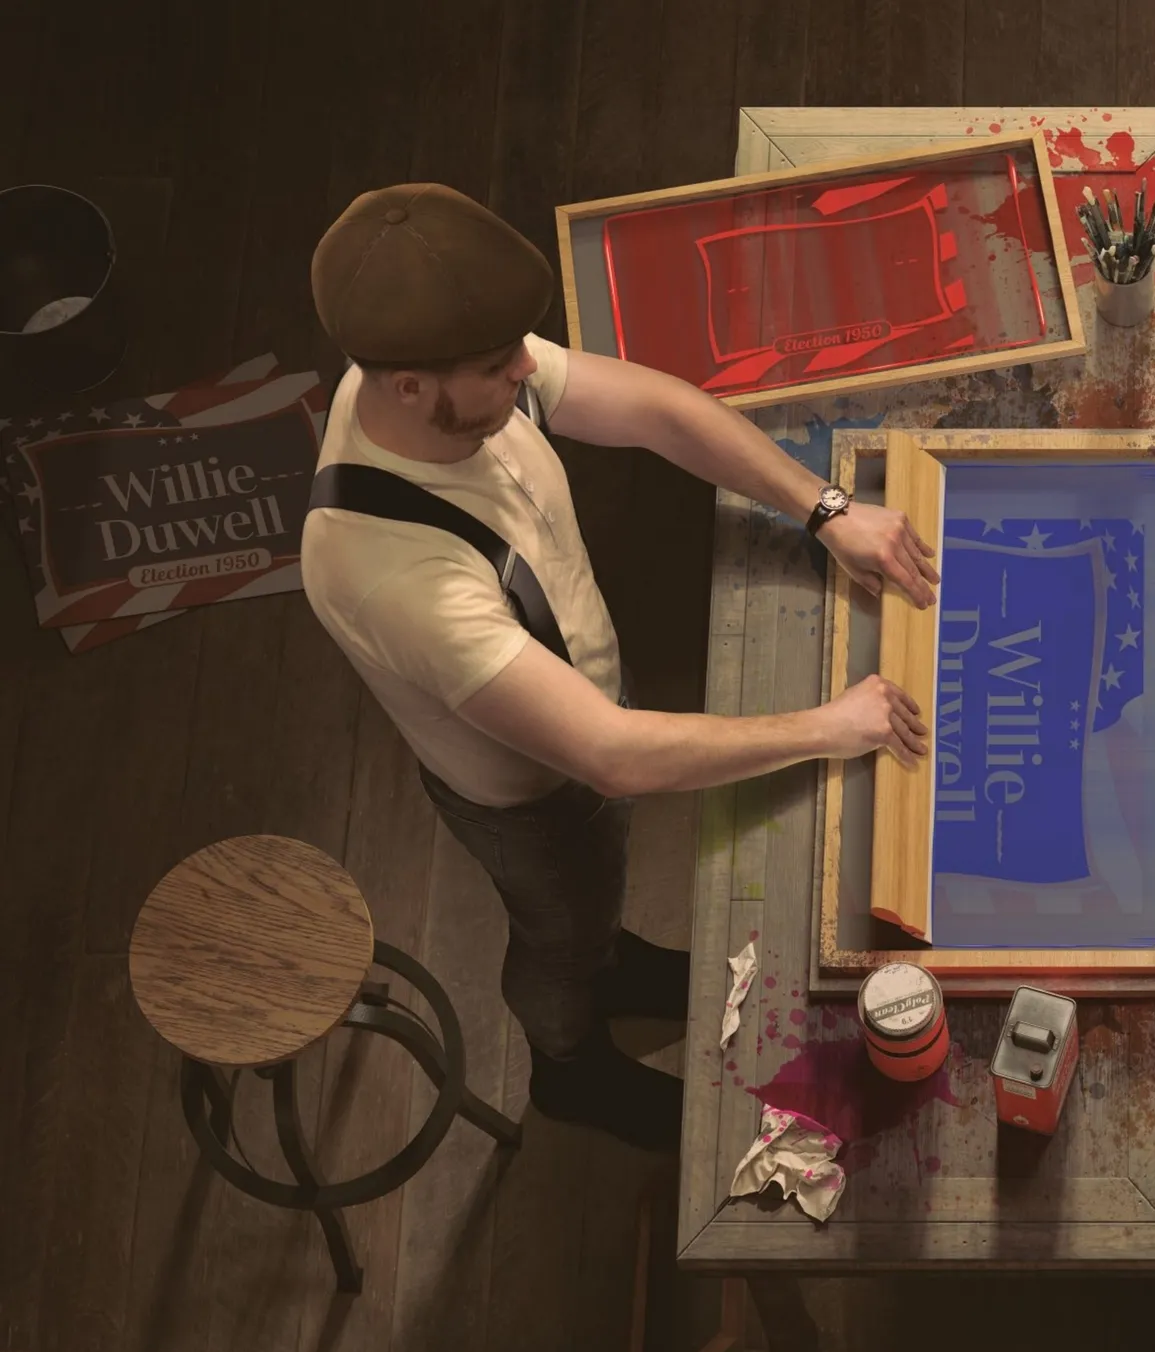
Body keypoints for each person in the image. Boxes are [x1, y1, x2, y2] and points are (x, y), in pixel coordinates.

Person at [302, 182, 937, 1154]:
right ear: (410, 388)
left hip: (586, 706)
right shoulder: (389, 571)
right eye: (500, 366)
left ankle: (617, 963)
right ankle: (568, 1067)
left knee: (593, 906)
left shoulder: (449, 372)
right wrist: (831, 726)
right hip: (529, 795)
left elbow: (657, 410)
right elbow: (612, 757)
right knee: (555, 928)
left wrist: (826, 509)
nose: (528, 368)